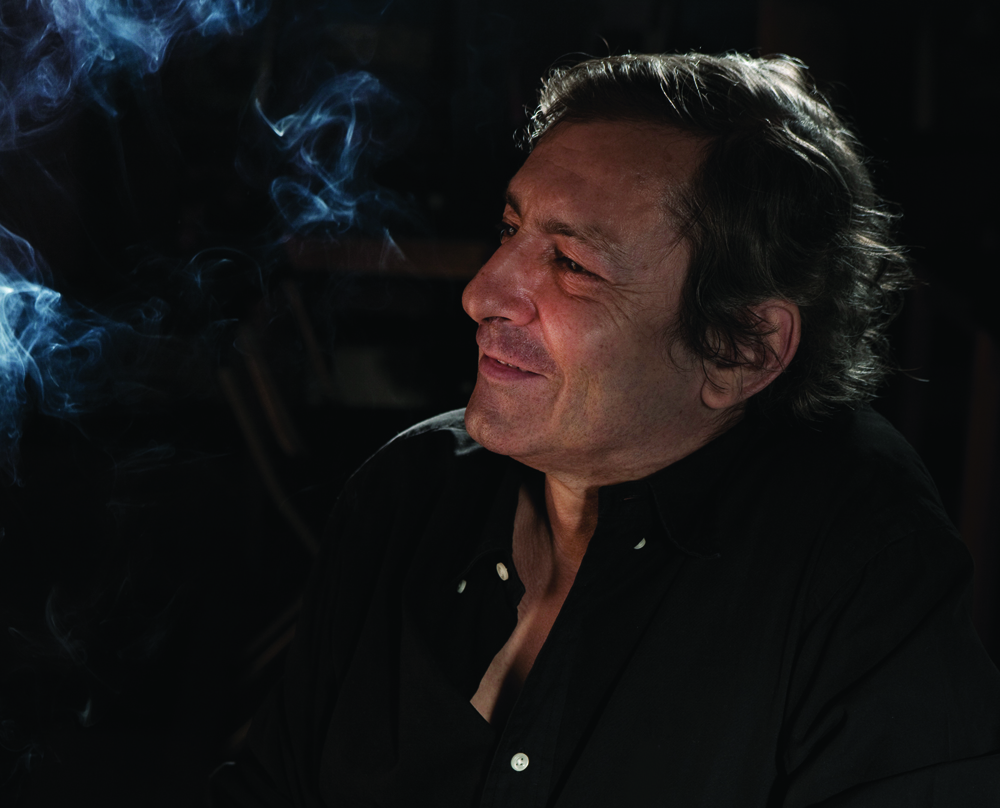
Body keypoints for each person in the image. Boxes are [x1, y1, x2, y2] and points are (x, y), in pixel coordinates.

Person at [209, 53, 1000, 807]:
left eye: (573, 265)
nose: (482, 293)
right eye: (510, 229)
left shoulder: (861, 560)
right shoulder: (409, 491)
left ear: (742, 349)